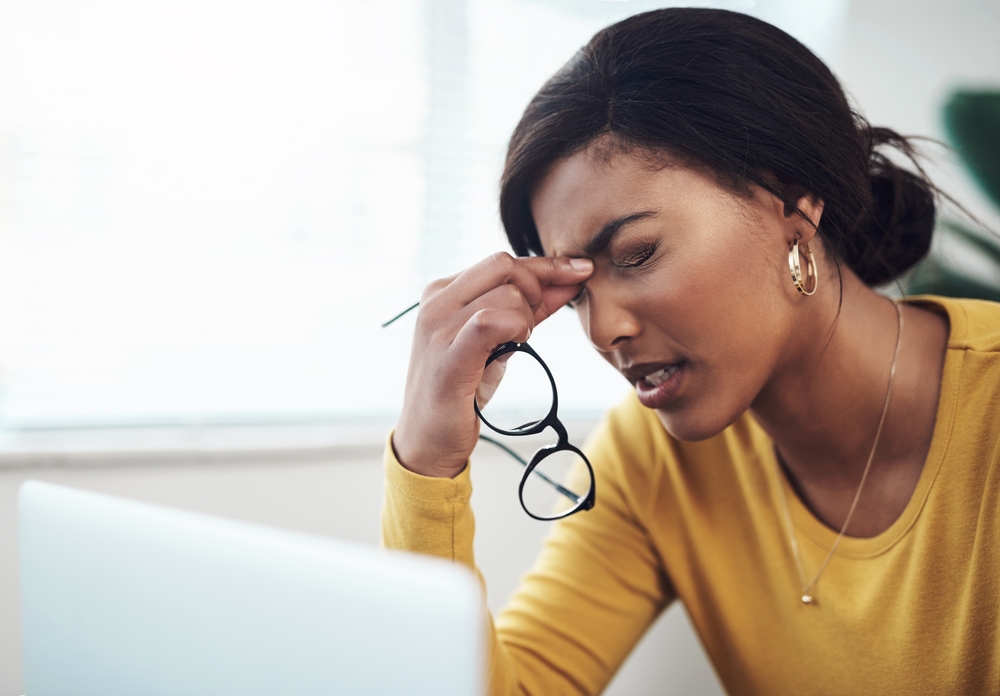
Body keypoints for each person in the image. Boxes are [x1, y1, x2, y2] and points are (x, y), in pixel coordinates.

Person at [383, 8, 999, 695]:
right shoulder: (656, 462)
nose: (604, 331)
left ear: (794, 199)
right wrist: (426, 460)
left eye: (636, 254)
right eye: (577, 293)